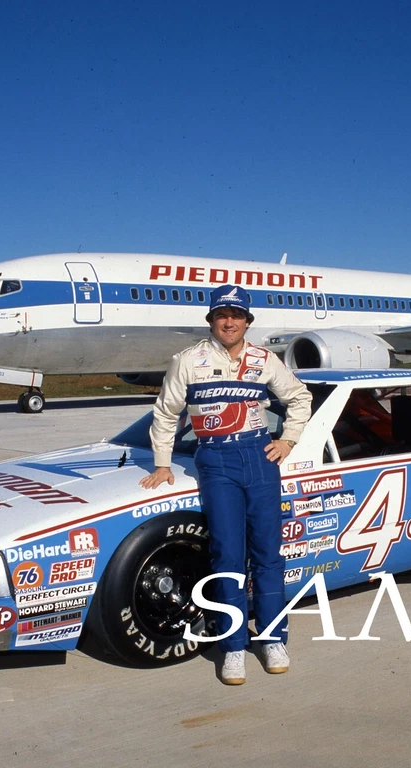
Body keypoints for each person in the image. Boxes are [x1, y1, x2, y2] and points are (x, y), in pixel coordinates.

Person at [140, 284, 312, 685]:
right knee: (228, 555)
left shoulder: (265, 360)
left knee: (268, 552)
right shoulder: (188, 360)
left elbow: (300, 398)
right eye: (222, 315)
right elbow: (166, 412)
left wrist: (287, 439)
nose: (229, 321)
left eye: (236, 315)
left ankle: (272, 639)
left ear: (247, 322)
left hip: (258, 457)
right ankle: (233, 647)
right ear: (211, 320)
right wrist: (163, 464)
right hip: (216, 461)